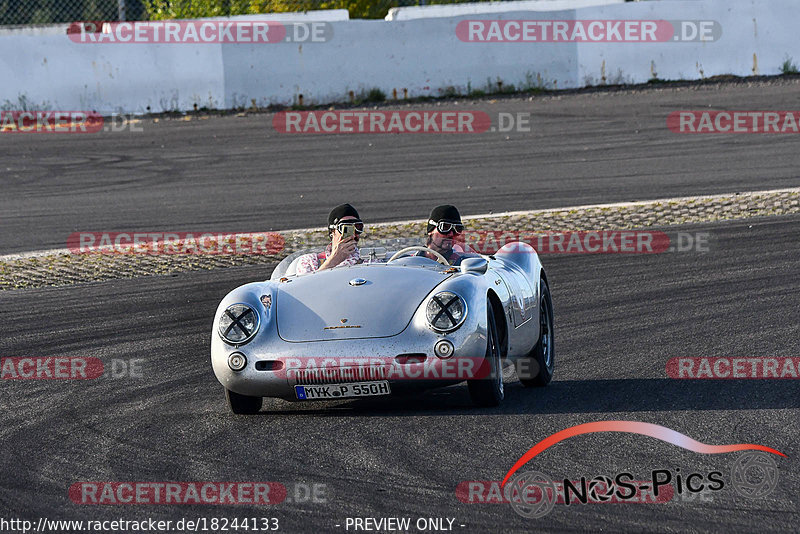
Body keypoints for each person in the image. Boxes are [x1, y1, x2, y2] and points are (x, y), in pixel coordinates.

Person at [295, 204, 364, 275]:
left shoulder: (370, 260)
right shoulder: (310, 261)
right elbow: (305, 285)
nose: (353, 235)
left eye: (357, 227)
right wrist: (334, 259)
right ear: (332, 231)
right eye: (346, 229)